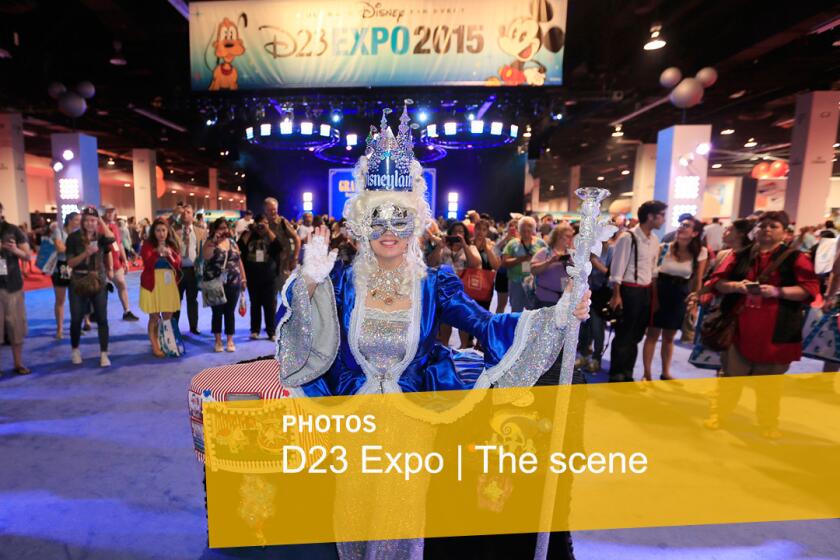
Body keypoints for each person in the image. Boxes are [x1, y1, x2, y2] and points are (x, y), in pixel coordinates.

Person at [274, 108, 590, 559]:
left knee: (399, 523)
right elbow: (302, 338)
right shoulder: (341, 280)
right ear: (362, 224)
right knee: (352, 517)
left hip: (411, 426)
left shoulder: (434, 282)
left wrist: (558, 314)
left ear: (415, 224)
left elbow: (484, 324)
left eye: (398, 219)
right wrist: (306, 282)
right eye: (377, 219)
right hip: (353, 423)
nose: (388, 231)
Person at [705, 211, 819, 438]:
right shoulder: (740, 255)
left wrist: (778, 291)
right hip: (738, 327)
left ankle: (768, 423)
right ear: (755, 230)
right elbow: (717, 282)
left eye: (773, 226)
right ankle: (720, 414)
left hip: (777, 330)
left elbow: (810, 290)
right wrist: (737, 286)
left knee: (770, 384)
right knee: (730, 378)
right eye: (763, 225)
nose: (767, 229)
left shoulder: (795, 258)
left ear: (784, 232)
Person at [608, 200, 667, 382]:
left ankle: (628, 372)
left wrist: (654, 296)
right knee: (624, 333)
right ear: (651, 216)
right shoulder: (628, 237)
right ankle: (617, 373)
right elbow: (617, 269)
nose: (663, 220)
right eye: (661, 215)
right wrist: (617, 295)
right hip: (629, 291)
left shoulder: (654, 239)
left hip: (645, 292)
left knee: (636, 335)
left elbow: (653, 269)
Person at [642, 217, 707, 382]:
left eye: (686, 226)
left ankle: (665, 372)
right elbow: (654, 277)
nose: (681, 228)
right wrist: (654, 300)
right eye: (681, 225)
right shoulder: (664, 248)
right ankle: (647, 374)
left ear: (695, 233)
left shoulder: (700, 252)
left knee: (669, 338)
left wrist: (694, 303)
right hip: (660, 292)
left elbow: (697, 280)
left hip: (680, 296)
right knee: (652, 335)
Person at [66, 206, 116, 367]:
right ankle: (75, 350)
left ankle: (104, 353)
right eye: (87, 220)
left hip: (99, 280)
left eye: (93, 220)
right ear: (82, 221)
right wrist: (85, 253)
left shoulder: (101, 237)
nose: (90, 223)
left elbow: (112, 238)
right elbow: (70, 262)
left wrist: (101, 220)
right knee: (76, 319)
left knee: (102, 318)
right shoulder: (73, 238)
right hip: (78, 281)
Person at [203, 217, 247, 353]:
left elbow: (239, 261)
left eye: (225, 228)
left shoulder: (233, 243)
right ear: (215, 230)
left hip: (233, 282)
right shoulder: (209, 243)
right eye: (220, 228)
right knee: (217, 313)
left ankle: (229, 340)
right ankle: (217, 341)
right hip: (215, 282)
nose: (223, 230)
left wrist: (243, 279)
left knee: (230, 312)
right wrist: (214, 241)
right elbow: (206, 256)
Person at [139, 219, 182, 357]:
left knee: (168, 316)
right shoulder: (147, 245)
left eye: (163, 230)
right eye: (158, 230)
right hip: (152, 283)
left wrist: (169, 254)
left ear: (168, 231)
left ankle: (167, 343)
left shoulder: (172, 244)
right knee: (154, 317)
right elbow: (148, 263)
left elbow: (177, 264)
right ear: (153, 232)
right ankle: (155, 346)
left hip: (168, 284)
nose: (161, 233)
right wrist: (157, 252)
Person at [238, 214, 282, 340]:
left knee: (270, 305)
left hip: (270, 277)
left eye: (265, 223)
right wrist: (251, 230)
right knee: (255, 304)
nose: (261, 226)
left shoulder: (271, 235)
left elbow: (279, 247)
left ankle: (271, 332)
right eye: (259, 223)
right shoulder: (249, 235)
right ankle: (255, 330)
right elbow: (240, 246)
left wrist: (267, 230)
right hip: (253, 276)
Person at [0, 202, 32, 375]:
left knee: (16, 326)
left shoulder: (13, 230)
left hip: (13, 285)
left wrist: (14, 250)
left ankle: (18, 364)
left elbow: (27, 256)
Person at [172, 205, 206, 335]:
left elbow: (203, 252)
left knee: (192, 300)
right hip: (178, 271)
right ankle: (174, 327)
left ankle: (193, 326)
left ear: (193, 216)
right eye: (183, 212)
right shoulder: (173, 231)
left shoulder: (200, 232)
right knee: (176, 300)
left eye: (188, 212)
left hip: (194, 271)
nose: (185, 214)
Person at [103, 206, 140, 322]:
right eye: (107, 212)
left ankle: (127, 311)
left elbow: (119, 245)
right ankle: (93, 314)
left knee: (122, 285)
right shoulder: (98, 226)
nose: (110, 214)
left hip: (116, 264)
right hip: (101, 265)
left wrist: (125, 261)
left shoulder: (115, 227)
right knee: (99, 291)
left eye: (112, 212)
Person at [502, 216, 546, 312]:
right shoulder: (512, 243)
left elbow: (547, 259)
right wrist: (519, 259)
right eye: (523, 229)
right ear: (519, 229)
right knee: (516, 310)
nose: (526, 231)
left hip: (535, 282)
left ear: (534, 229)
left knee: (534, 311)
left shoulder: (541, 243)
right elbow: (504, 263)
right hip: (516, 282)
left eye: (529, 228)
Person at [51, 211, 80, 340]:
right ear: (70, 220)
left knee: (77, 298)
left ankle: (80, 325)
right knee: (61, 300)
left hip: (74, 266)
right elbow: (59, 248)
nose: (79, 222)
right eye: (77, 220)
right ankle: (60, 329)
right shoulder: (59, 231)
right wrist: (76, 249)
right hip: (62, 266)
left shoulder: (78, 234)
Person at [530, 223, 574, 309]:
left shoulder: (571, 254)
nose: (571, 239)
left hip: (565, 300)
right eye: (568, 236)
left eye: (571, 236)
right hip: (545, 299)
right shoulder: (545, 252)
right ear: (558, 236)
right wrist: (550, 261)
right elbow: (533, 270)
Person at [263, 197, 300, 295]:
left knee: (286, 298)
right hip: (268, 267)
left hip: (283, 267)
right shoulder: (263, 224)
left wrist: (295, 258)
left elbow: (297, 238)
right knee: (270, 300)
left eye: (274, 209)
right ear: (265, 210)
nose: (273, 212)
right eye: (270, 210)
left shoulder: (282, 222)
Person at [493, 218, 518, 313]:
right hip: (503, 274)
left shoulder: (523, 240)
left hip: (517, 276)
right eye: (511, 226)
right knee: (501, 304)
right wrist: (506, 238)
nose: (513, 228)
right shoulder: (503, 238)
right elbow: (495, 249)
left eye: (516, 227)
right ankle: (499, 325)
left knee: (515, 305)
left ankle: (514, 326)